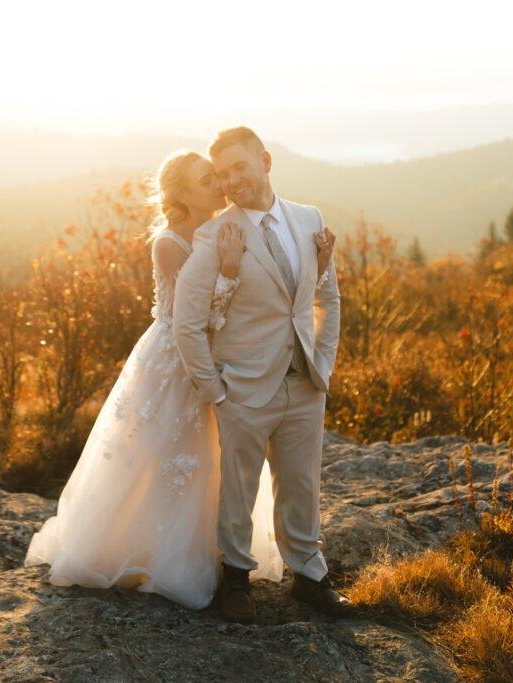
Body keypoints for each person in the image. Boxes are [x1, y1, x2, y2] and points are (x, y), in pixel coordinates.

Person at [25, 149, 335, 609]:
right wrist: (228, 269)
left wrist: (317, 264)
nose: (219, 185)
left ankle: (220, 556)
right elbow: (198, 317)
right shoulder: (170, 243)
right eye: (207, 179)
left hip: (230, 360)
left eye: (219, 176)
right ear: (182, 194)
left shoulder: (232, 226)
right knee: (168, 458)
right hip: (176, 361)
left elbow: (271, 297)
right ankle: (160, 551)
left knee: (214, 465)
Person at [172, 127, 354, 623]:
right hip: (243, 387)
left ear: (266, 160)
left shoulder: (309, 219)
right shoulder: (214, 236)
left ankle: (310, 578)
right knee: (239, 488)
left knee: (303, 483)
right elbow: (187, 323)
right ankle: (236, 579)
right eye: (222, 173)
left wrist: (324, 363)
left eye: (240, 168)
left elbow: (326, 299)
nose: (232, 181)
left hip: (304, 382)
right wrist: (215, 390)